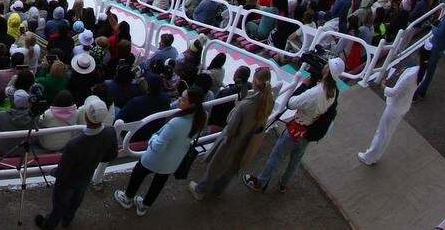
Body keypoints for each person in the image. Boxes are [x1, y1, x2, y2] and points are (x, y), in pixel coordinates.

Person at [244, 58, 342, 193]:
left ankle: (260, 182)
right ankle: (284, 184)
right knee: (295, 160)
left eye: (327, 65)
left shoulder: (315, 92)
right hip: (309, 131)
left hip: (296, 128)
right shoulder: (333, 92)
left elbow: (291, 103)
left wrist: (304, 85)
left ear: (327, 71)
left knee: (276, 156)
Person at [114, 86, 207, 216]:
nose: (180, 99)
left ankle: (127, 198)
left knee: (138, 174)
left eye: (184, 99)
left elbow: (158, 146)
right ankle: (144, 207)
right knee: (159, 183)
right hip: (174, 160)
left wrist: (153, 137)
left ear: (192, 104)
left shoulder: (176, 123)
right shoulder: (201, 117)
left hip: (155, 159)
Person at [190, 66, 274, 199]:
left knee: (216, 165)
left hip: (232, 140)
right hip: (247, 141)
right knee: (232, 168)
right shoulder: (269, 101)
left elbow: (231, 124)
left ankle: (200, 190)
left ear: (254, 81)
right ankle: (218, 190)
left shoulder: (246, 105)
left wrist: (238, 105)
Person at [35, 96, 118, 229]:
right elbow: (112, 155)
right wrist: (95, 158)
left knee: (59, 204)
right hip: (87, 175)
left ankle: (49, 224)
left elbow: (63, 170)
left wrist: (54, 172)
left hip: (67, 180)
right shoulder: (111, 131)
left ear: (86, 117)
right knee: (77, 200)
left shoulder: (74, 144)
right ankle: (67, 220)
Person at [358, 60, 419, 165]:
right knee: (388, 133)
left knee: (381, 132)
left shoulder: (412, 73)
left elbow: (393, 92)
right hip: (403, 106)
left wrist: (384, 86)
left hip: (395, 106)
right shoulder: (422, 71)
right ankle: (376, 156)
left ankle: (369, 157)